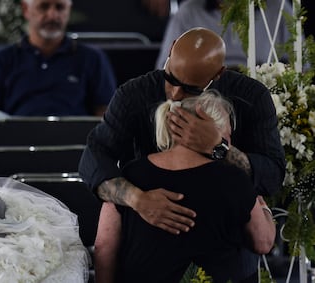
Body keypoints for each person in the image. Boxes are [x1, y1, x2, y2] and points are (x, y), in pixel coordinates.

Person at [78, 27, 286, 282]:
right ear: (171, 47)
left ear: (218, 75)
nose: (175, 94)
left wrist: (221, 149)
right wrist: (138, 199)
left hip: (228, 251)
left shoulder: (252, 97)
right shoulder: (134, 94)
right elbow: (93, 159)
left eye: (189, 88)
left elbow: (273, 176)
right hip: (148, 244)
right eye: (171, 78)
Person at [94, 90, 276, 282]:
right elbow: (263, 242)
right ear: (214, 133)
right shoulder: (235, 179)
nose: (229, 145)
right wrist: (263, 206)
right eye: (227, 137)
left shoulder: (128, 175)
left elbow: (104, 247)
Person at [0, 0, 117, 146]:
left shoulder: (92, 58)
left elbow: (107, 116)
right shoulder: (1, 59)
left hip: (74, 147)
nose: (52, 15)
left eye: (60, 7)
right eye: (44, 6)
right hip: (18, 148)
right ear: (25, 10)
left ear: (69, 11)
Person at [155, 0, 293, 70]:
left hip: (265, 94)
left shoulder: (279, 8)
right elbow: (165, 68)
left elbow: (303, 66)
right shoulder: (188, 12)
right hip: (204, 95)